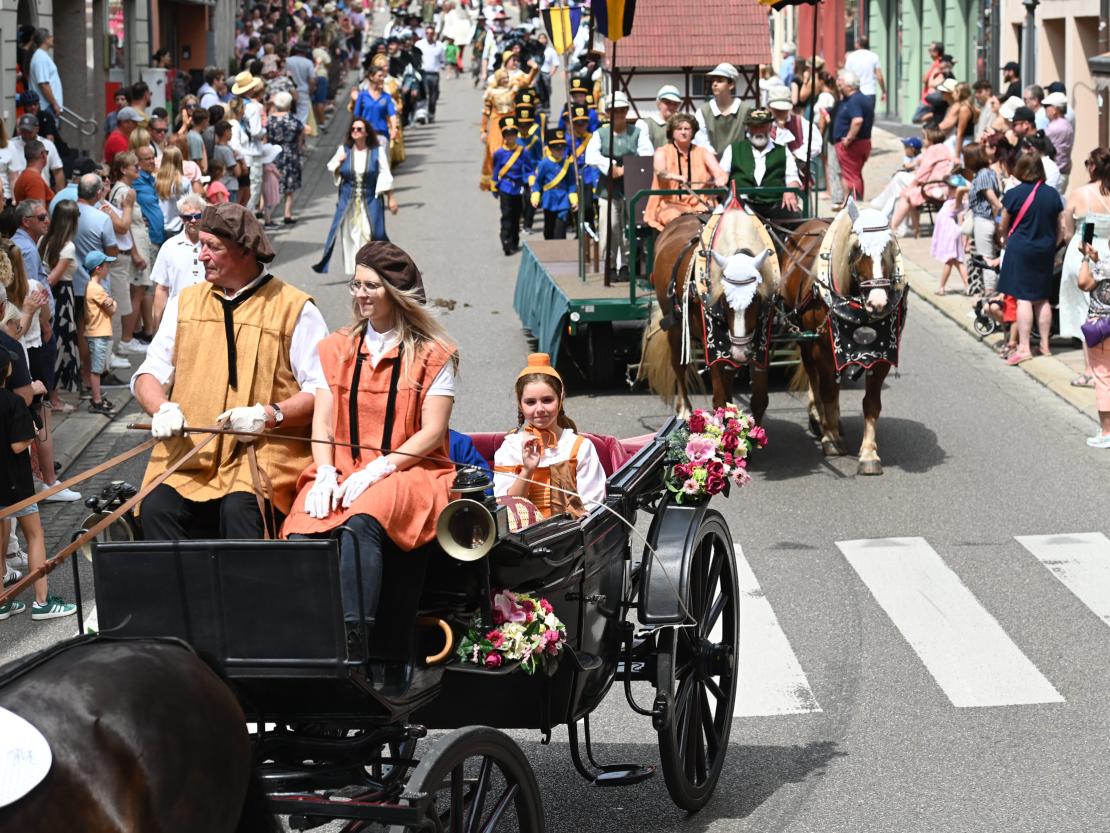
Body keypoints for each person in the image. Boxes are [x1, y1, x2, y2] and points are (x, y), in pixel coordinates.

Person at [283, 241, 458, 637]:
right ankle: (304, 634)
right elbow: (324, 424)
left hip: (411, 471)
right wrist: (325, 471)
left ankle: (354, 638)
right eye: (356, 285)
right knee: (303, 525)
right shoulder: (335, 349)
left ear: (394, 294)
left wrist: (381, 466)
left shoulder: (433, 354)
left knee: (363, 519)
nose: (360, 294)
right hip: (344, 469)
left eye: (371, 286)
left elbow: (432, 433)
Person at [132, 203, 328, 540]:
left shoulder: (295, 309)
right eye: (201, 245)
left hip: (263, 456)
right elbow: (150, 373)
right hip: (191, 454)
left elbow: (321, 390)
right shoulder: (185, 303)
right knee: (155, 508)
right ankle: (180, 594)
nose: (201, 256)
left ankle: (245, 593)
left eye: (213, 247)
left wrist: (271, 414)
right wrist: (160, 407)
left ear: (245, 250)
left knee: (240, 510)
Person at [0, 349, 77, 621]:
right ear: (7, 370)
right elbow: (17, 445)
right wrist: (32, 431)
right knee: (35, 535)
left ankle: (2, 602)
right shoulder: (13, 402)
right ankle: (42, 601)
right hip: (16, 484)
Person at [493, 353, 605, 521]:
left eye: (547, 400)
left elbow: (592, 506)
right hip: (522, 539)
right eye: (530, 402)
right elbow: (506, 511)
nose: (539, 409)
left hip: (569, 536)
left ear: (560, 399)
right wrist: (528, 469)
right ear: (520, 404)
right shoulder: (511, 447)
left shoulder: (579, 446)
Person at [997, 153, 1065, 365]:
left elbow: (1003, 224)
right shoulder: (1052, 194)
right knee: (1042, 298)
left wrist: (1004, 241)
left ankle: (1024, 347)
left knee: (1023, 297)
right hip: (1045, 249)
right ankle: (1045, 345)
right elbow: (1061, 228)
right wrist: (1052, 245)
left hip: (1020, 249)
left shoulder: (1014, 194)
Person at [313, 119, 398, 274]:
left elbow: (385, 174)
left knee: (372, 234)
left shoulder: (376, 152)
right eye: (353, 129)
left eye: (359, 129)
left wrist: (391, 198)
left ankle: (375, 267)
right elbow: (334, 170)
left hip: (371, 201)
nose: (355, 131)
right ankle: (358, 272)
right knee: (351, 237)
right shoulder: (344, 150)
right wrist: (339, 164)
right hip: (348, 204)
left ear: (366, 132)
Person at [584, 91, 653, 275]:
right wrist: (609, 166)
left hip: (632, 186)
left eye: (622, 110)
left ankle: (626, 265)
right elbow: (591, 156)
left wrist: (626, 169)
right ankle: (610, 263)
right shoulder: (600, 134)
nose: (619, 114)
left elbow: (647, 153)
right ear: (608, 113)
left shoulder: (637, 133)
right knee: (610, 226)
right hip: (608, 188)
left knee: (628, 227)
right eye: (614, 111)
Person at [1060, 149, 1110, 389]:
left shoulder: (1081, 194)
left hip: (1084, 252)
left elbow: (1068, 229)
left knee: (1085, 312)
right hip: (1107, 252)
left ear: (1092, 167)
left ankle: (1091, 370)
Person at [75, 174, 120, 396]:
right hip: (94, 283)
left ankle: (87, 380)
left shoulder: (66, 211)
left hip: (72, 281)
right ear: (98, 192)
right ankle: (93, 381)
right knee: (92, 334)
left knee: (80, 332)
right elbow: (112, 251)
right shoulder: (101, 218)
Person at [645, 114, 728, 231]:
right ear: (672, 132)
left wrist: (721, 179)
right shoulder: (662, 151)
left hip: (701, 204)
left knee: (717, 220)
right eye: (679, 129)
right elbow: (660, 171)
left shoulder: (703, 152)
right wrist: (675, 177)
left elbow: (719, 172)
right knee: (676, 219)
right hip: (670, 205)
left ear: (692, 132)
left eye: (687, 129)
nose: (683, 132)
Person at [720, 108, 802, 223]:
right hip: (741, 206)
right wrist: (721, 179)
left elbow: (792, 178)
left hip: (775, 205)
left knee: (798, 225)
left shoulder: (782, 151)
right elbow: (722, 175)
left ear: (769, 127)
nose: (758, 130)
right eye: (754, 126)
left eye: (762, 126)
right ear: (747, 128)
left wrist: (790, 190)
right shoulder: (733, 149)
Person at [37, 199, 80, 394]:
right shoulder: (68, 246)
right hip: (62, 296)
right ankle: (53, 396)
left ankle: (51, 392)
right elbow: (53, 278)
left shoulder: (43, 240)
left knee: (55, 343)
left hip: (50, 296)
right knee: (61, 343)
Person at [481, 63, 539, 191]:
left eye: (507, 77)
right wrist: (483, 130)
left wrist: (534, 69)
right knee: (494, 150)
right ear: (498, 79)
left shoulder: (514, 88)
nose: (506, 80)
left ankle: (512, 176)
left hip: (512, 121)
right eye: (503, 78)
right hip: (497, 122)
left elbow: (527, 81)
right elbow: (485, 112)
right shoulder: (491, 92)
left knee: (514, 148)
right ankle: (495, 178)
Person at [150, 194, 206, 325]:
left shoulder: (214, 245)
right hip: (177, 318)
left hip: (208, 317)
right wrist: (156, 326)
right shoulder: (169, 247)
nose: (193, 220)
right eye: (188, 217)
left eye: (197, 216)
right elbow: (162, 288)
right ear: (181, 218)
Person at [889, 128, 954, 236]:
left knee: (906, 195)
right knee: (911, 195)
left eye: (925, 138)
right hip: (945, 185)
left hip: (935, 187)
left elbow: (923, 172)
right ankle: (915, 230)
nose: (923, 140)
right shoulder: (945, 148)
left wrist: (910, 187)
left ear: (931, 139)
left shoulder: (932, 150)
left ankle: (894, 227)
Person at [1077, 242, 1110, 447]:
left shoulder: (1105, 264)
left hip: (1102, 329)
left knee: (1103, 378)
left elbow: (1083, 283)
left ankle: (1107, 431)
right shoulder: (1104, 264)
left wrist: (1086, 259)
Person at [966, 141, 1004, 294]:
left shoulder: (982, 176)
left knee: (987, 261)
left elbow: (996, 204)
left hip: (984, 221)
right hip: (986, 222)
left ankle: (990, 296)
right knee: (988, 259)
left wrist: (998, 224)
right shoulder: (988, 173)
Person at [82, 251, 117, 415]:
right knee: (97, 370)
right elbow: (112, 310)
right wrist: (113, 301)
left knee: (98, 368)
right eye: (106, 265)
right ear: (98, 269)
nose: (108, 268)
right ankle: (97, 400)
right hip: (98, 334)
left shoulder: (93, 287)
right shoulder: (96, 289)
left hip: (98, 333)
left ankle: (98, 397)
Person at [831, 70, 874, 203]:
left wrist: (848, 139)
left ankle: (854, 204)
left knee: (851, 176)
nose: (839, 86)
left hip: (853, 144)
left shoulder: (854, 100)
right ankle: (849, 202)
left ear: (849, 86)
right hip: (862, 142)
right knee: (855, 174)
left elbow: (857, 120)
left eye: (841, 83)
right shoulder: (861, 98)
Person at [491, 115, 531, 256]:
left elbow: (528, 168)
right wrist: (494, 185)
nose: (510, 137)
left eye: (513, 134)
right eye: (507, 135)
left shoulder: (523, 151)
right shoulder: (499, 153)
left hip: (518, 187)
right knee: (506, 215)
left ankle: (515, 239)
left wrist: (529, 181)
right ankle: (506, 241)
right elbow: (495, 170)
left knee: (516, 215)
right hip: (505, 186)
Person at [530, 129, 578, 240]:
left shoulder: (567, 164)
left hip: (563, 199)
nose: (559, 150)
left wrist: (574, 199)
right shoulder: (544, 164)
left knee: (561, 229)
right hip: (549, 198)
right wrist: (536, 196)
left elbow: (571, 183)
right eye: (556, 148)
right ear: (550, 148)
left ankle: (561, 250)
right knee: (549, 229)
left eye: (562, 148)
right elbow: (538, 182)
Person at [267, 92, 304, 226]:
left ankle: (267, 215)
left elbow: (265, 137)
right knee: (289, 187)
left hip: (273, 154)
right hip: (290, 155)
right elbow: (300, 140)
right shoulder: (293, 121)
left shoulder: (270, 120)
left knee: (271, 184)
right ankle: (287, 214)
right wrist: (299, 150)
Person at [695, 63, 749, 154]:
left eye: (720, 81)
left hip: (740, 164)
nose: (714, 84)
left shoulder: (745, 110)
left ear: (731, 85)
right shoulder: (703, 111)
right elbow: (702, 142)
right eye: (713, 81)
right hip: (712, 162)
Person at [931, 173, 970, 295]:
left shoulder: (957, 202)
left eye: (952, 187)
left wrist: (964, 188)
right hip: (948, 234)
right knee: (958, 262)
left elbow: (960, 192)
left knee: (949, 260)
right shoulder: (950, 200)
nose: (949, 189)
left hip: (950, 235)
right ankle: (968, 286)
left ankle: (941, 287)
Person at [7, 113, 64, 193]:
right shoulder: (10, 145)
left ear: (37, 129)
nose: (26, 134)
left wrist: (60, 195)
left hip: (42, 192)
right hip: (18, 194)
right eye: (23, 130)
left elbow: (57, 171)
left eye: (29, 131)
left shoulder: (48, 145)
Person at [28, 28, 63, 119]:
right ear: (46, 39)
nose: (52, 38)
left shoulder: (42, 56)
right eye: (50, 36)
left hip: (49, 106)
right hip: (46, 107)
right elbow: (44, 85)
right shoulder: (40, 58)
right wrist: (55, 104)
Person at [844, 35, 885, 111]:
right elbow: (879, 76)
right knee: (868, 119)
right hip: (870, 91)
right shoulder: (874, 56)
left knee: (855, 116)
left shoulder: (851, 57)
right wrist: (883, 91)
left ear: (857, 44)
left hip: (854, 92)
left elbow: (846, 76)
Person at [1043, 92, 1074, 192]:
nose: (1045, 109)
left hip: (1055, 172)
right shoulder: (1066, 123)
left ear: (1055, 109)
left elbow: (1041, 144)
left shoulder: (1055, 127)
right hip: (1062, 171)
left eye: (1047, 106)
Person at [415, 26, 445, 123]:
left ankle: (431, 114)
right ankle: (422, 114)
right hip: (423, 72)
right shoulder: (419, 44)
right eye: (427, 33)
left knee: (433, 96)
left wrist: (440, 66)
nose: (429, 35)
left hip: (434, 73)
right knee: (422, 94)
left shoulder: (439, 46)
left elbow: (442, 60)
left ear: (434, 34)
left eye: (431, 33)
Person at [13, 141, 54, 205]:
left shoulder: (26, 176)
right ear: (43, 155)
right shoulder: (34, 179)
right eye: (47, 153)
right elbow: (38, 212)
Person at [643, 85, 683, 150]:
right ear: (659, 103)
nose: (672, 107)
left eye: (675, 104)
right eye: (668, 103)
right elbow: (645, 152)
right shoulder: (646, 125)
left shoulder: (683, 125)